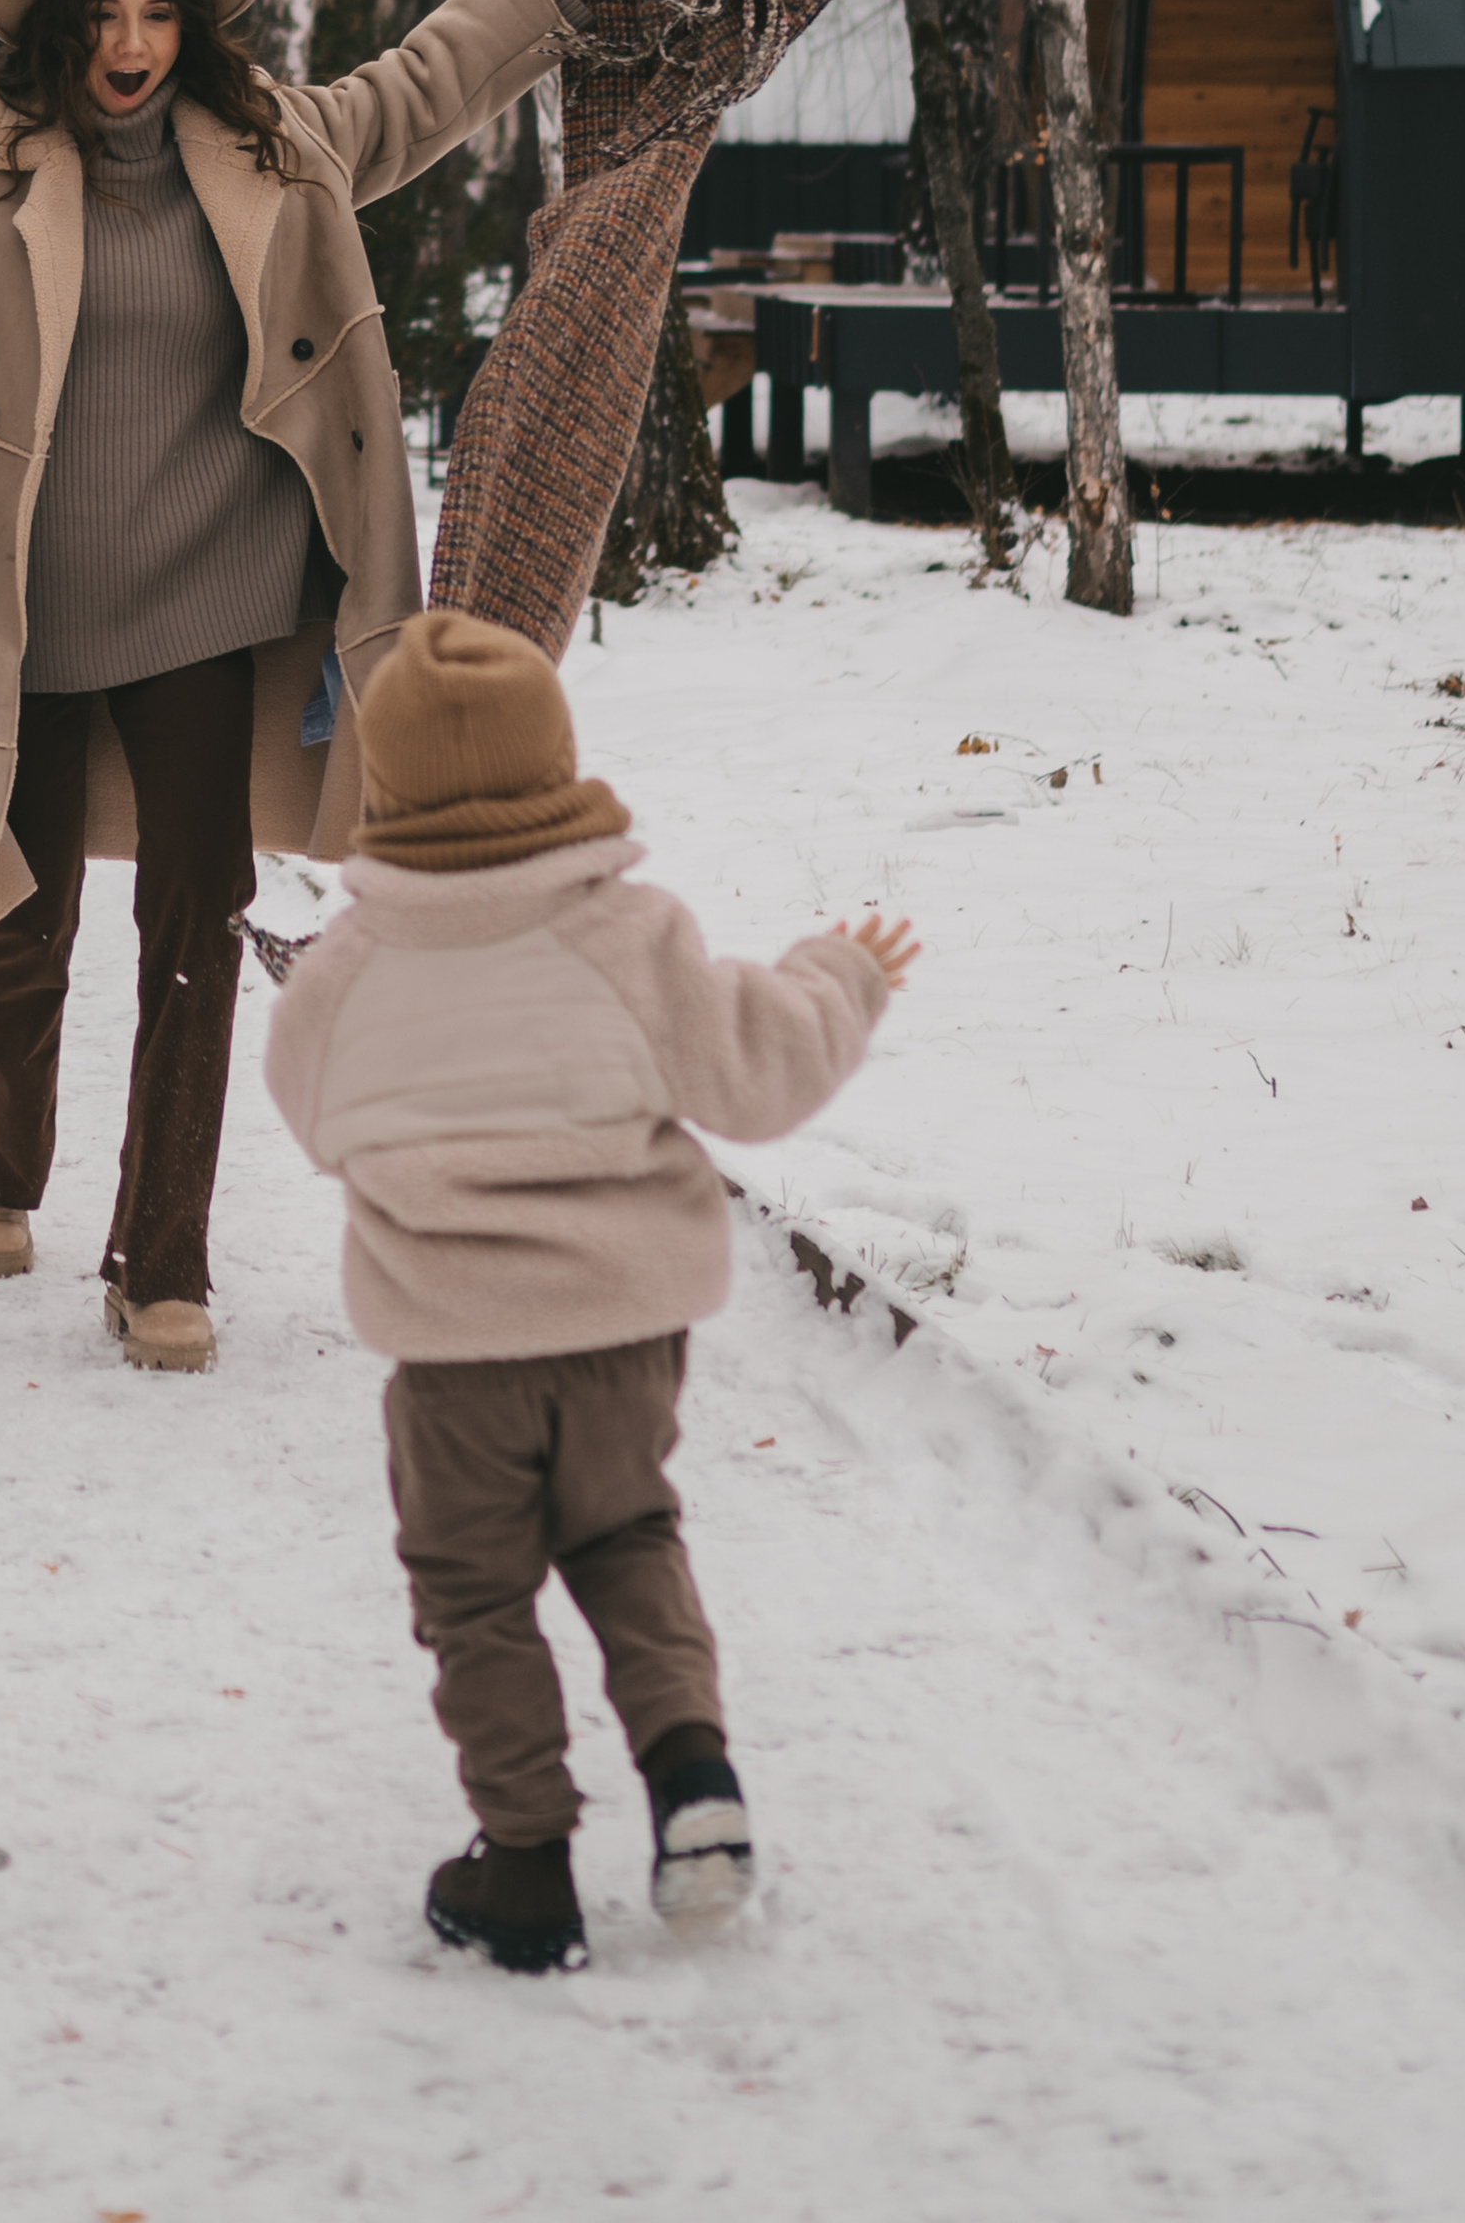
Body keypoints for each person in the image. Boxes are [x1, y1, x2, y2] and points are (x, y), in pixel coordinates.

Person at [0, 0, 612, 1373]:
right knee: (17, 924)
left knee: (193, 922)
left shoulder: (273, 143)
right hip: (9, 597)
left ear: (193, 26)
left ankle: (164, 1255)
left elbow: (426, 86)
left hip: (209, 594)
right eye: (100, 14)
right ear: (51, 22)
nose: (131, 45)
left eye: (157, 13)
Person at [264, 608, 918, 1975]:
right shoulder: (631, 940)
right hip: (627, 1339)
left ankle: (525, 1862)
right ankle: (693, 1782)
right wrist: (839, 975)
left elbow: (314, 1117)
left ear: (383, 788)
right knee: (625, 1540)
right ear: (558, 765)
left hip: (453, 1361)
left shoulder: (346, 972)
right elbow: (762, 1070)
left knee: (476, 1593)